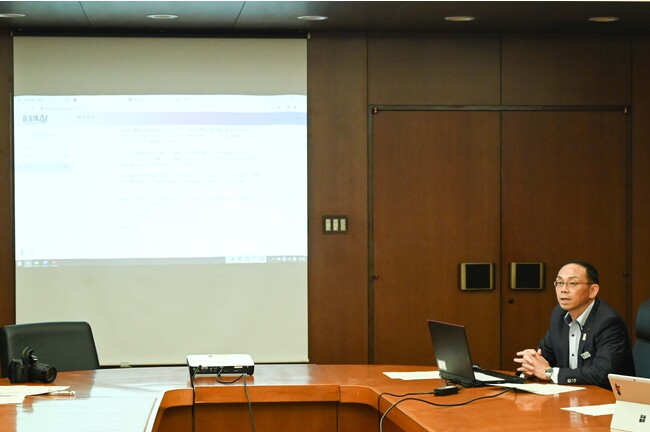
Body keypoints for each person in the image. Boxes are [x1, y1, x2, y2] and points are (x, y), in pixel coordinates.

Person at [514, 260, 635, 389]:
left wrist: (549, 373)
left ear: (593, 290)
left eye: (572, 283)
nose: (563, 290)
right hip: (573, 394)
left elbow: (602, 373)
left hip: (608, 396)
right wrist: (531, 366)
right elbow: (543, 358)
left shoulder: (608, 322)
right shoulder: (559, 315)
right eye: (559, 283)